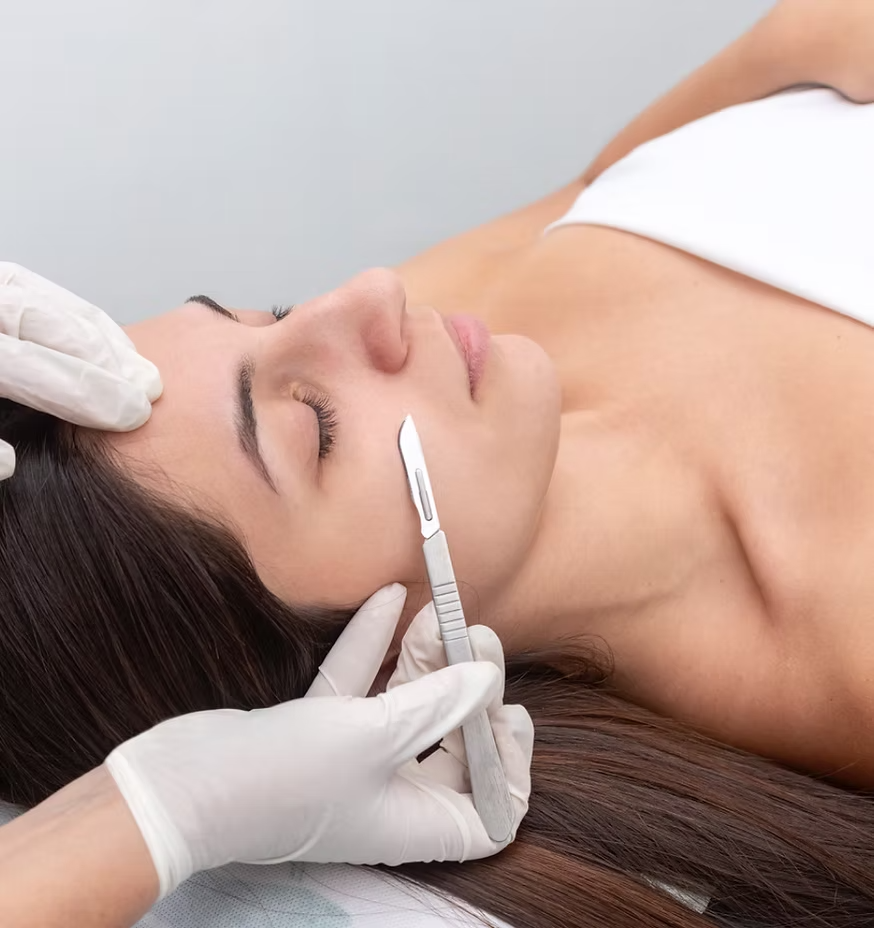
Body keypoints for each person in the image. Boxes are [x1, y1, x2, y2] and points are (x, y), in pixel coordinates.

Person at [5, 1, 874, 925]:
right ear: (364, 691)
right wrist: (148, 815)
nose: (372, 295)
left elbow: (749, 75)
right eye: (317, 426)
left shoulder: (466, 346)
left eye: (267, 312)